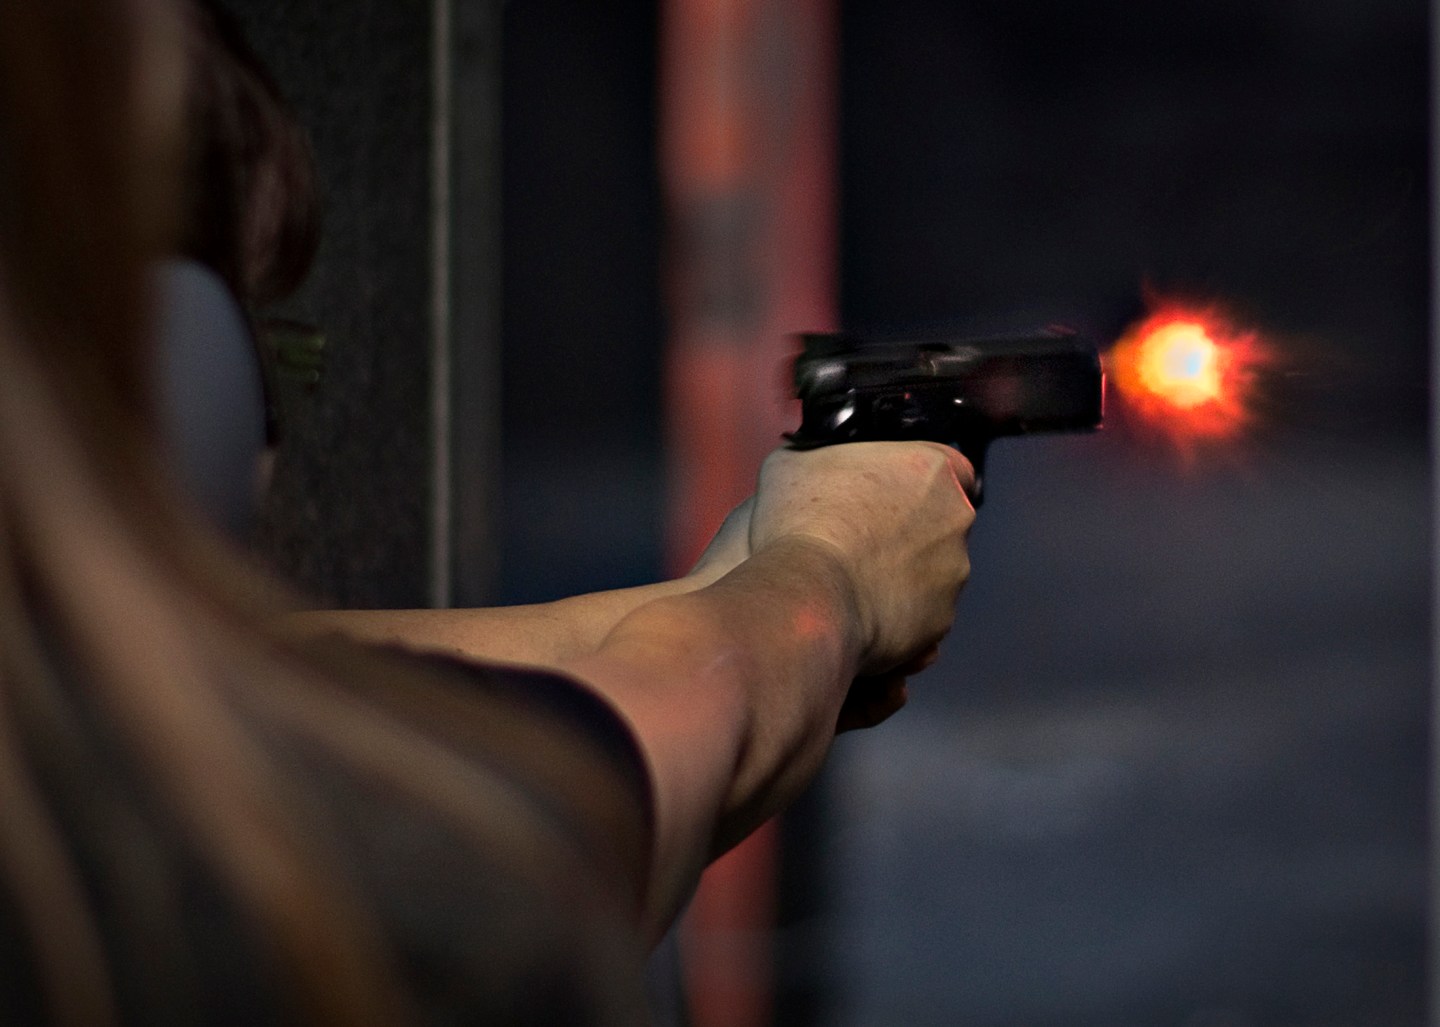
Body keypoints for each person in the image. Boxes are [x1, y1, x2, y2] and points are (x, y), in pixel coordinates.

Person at [0, 0, 976, 1022]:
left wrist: (733, 588)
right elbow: (558, 833)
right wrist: (827, 582)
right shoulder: (135, 867)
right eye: (254, 346)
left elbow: (301, 671)